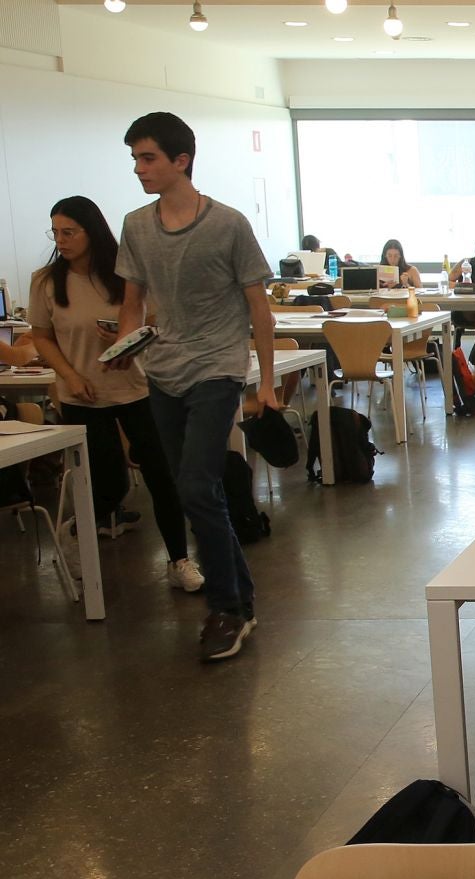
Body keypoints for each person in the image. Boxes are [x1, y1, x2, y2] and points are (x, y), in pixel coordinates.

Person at [116, 112, 277, 661]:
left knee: (194, 485)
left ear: (180, 160)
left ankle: (227, 608)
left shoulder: (228, 224)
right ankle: (242, 602)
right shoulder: (136, 225)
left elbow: (260, 308)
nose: (139, 168)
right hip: (162, 370)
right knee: (197, 490)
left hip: (217, 366)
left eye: (148, 158)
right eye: (136, 158)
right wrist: (122, 347)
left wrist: (270, 382)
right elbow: (132, 299)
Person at [30, 194, 197, 588]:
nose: (61, 240)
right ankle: (73, 535)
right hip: (82, 396)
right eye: (55, 232)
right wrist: (70, 375)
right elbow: (41, 336)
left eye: (69, 232)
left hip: (136, 388)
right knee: (109, 485)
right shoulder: (46, 281)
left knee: (161, 477)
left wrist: (126, 337)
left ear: (92, 232)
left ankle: (179, 561)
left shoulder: (125, 275)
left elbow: (155, 324)